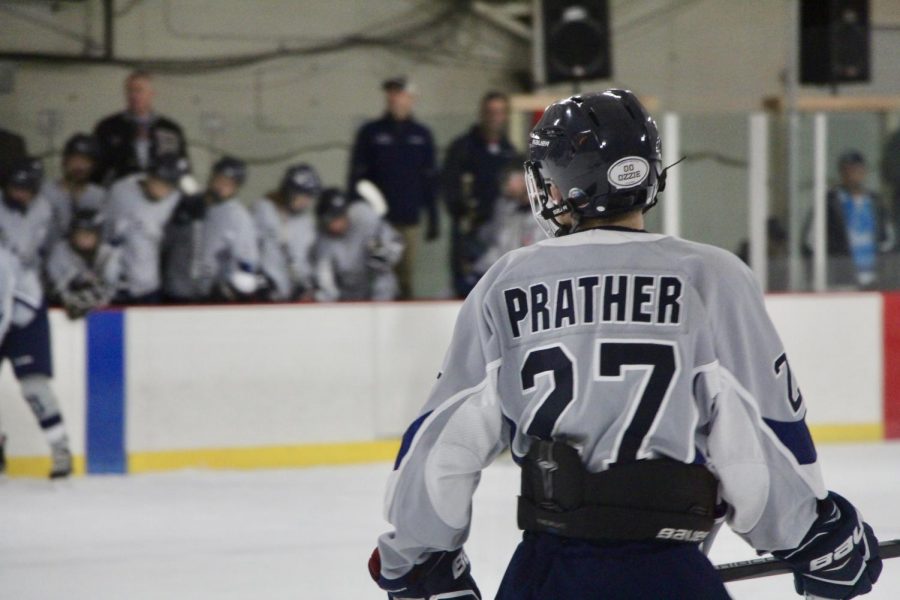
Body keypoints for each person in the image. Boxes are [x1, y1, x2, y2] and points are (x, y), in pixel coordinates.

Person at [368, 91, 883, 600]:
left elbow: (445, 441)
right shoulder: (712, 276)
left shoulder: (507, 281)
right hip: (670, 569)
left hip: (548, 571)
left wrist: (419, 562)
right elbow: (757, 434)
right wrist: (813, 533)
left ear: (565, 183)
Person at [0, 158, 73, 478]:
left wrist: (68, 281)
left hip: (25, 307)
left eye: (26, 189)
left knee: (34, 386)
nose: (20, 195)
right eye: (15, 188)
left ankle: (60, 449)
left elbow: (54, 250)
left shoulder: (45, 209)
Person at [348, 77, 438, 299]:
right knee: (375, 273)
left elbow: (429, 177)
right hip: (377, 221)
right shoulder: (370, 133)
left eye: (399, 93)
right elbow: (357, 177)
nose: (393, 98)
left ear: (411, 99)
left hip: (408, 218)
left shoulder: (421, 135)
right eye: (390, 93)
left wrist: (433, 214)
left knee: (404, 277)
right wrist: (355, 211)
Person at [442, 91, 519, 297]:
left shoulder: (509, 151)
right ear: (482, 114)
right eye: (490, 112)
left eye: (500, 112)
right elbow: (449, 185)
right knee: (466, 280)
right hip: (469, 228)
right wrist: (461, 210)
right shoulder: (462, 148)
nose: (495, 117)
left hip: (500, 227)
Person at [162, 156, 259, 302]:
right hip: (177, 289)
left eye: (228, 184)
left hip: (211, 294)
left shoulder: (238, 217)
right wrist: (179, 219)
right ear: (212, 177)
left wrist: (229, 289)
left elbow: (247, 260)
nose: (221, 186)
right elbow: (164, 243)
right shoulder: (188, 201)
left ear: (236, 188)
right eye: (219, 180)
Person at [804, 150, 894, 289]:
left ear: (864, 171)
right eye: (848, 170)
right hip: (841, 279)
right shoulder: (830, 202)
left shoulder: (875, 202)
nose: (852, 174)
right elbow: (811, 241)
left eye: (857, 169)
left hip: (873, 278)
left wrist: (883, 266)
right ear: (841, 173)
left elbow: (888, 239)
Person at [104, 153, 187, 304]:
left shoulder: (176, 199)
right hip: (114, 282)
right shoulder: (120, 191)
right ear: (149, 175)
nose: (163, 191)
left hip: (148, 285)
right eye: (160, 182)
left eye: (169, 186)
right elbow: (104, 233)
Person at [93, 70, 189, 186]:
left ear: (151, 94)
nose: (133, 95)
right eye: (129, 91)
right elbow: (96, 167)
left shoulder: (170, 129)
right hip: (121, 193)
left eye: (139, 90)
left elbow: (183, 168)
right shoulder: (108, 127)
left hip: (161, 195)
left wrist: (191, 197)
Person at [313, 188, 403, 302]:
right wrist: (328, 299)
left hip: (382, 293)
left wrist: (385, 256)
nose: (335, 224)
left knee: (382, 280)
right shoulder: (323, 239)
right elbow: (325, 276)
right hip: (349, 299)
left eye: (339, 216)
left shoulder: (364, 215)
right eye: (330, 219)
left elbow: (396, 242)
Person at [252, 163, 321, 301]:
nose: (305, 201)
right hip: (265, 292)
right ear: (289, 191)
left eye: (309, 197)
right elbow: (249, 245)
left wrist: (306, 283)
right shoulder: (264, 210)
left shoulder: (306, 223)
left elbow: (306, 259)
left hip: (291, 296)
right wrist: (257, 276)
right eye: (302, 195)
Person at [45, 208, 122, 319]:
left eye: (90, 233)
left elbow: (112, 290)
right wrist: (71, 295)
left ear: (98, 235)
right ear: (72, 234)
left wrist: (90, 299)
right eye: (80, 233)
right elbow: (55, 288)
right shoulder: (60, 251)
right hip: (61, 314)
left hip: (103, 316)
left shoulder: (108, 254)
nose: (85, 237)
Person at [472, 165, 543, 276]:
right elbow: (498, 240)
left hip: (532, 267)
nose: (508, 186)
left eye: (512, 180)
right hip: (503, 265)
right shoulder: (506, 208)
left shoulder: (545, 209)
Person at [43, 133, 107, 245]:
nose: (80, 166)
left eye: (86, 161)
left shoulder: (99, 196)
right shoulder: (45, 192)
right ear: (64, 161)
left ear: (94, 166)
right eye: (75, 159)